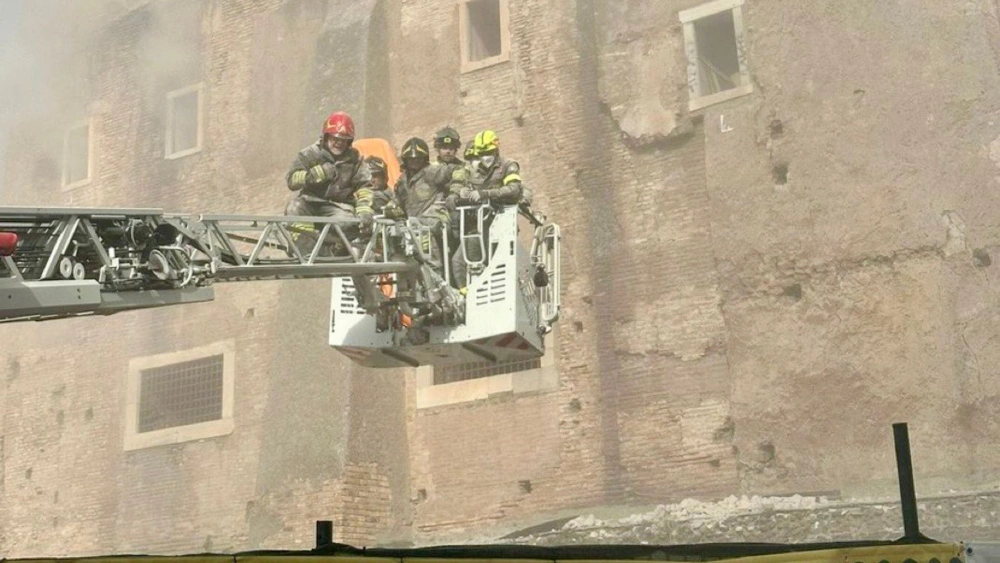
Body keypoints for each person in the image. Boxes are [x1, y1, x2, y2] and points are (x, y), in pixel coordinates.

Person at [284, 111, 375, 238]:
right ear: (326, 137)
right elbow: (291, 180)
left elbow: (365, 185)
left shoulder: (355, 158)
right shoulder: (310, 154)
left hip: (339, 207)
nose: (339, 143)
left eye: (344, 140)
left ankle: (333, 249)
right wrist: (311, 176)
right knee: (294, 207)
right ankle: (306, 249)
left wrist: (364, 209)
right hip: (310, 202)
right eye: (335, 138)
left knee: (346, 222)